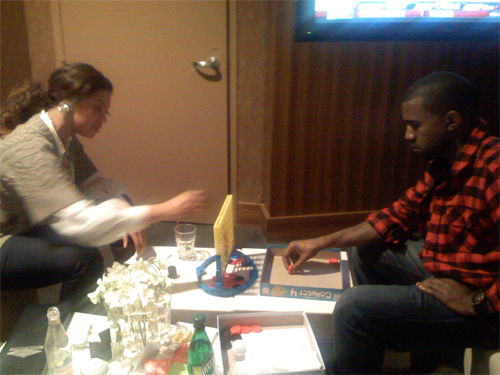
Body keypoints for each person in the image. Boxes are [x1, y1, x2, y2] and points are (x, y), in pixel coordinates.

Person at [282, 72, 499, 374]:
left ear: (451, 121)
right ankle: (387, 335)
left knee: (353, 307)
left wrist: (478, 301)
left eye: (415, 125)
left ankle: (377, 329)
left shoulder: (494, 168)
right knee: (365, 251)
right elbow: (393, 217)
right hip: (446, 270)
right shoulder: (445, 163)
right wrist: (318, 242)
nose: (408, 135)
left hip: (483, 308)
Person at [1, 62, 209, 308]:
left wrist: (125, 208)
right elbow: (79, 224)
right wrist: (163, 210)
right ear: (67, 103)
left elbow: (96, 184)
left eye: (105, 112)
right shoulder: (30, 148)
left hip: (30, 225)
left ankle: (135, 287)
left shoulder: (66, 139)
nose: (102, 119)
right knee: (82, 258)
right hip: (7, 236)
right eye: (97, 108)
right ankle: (69, 334)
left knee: (122, 208)